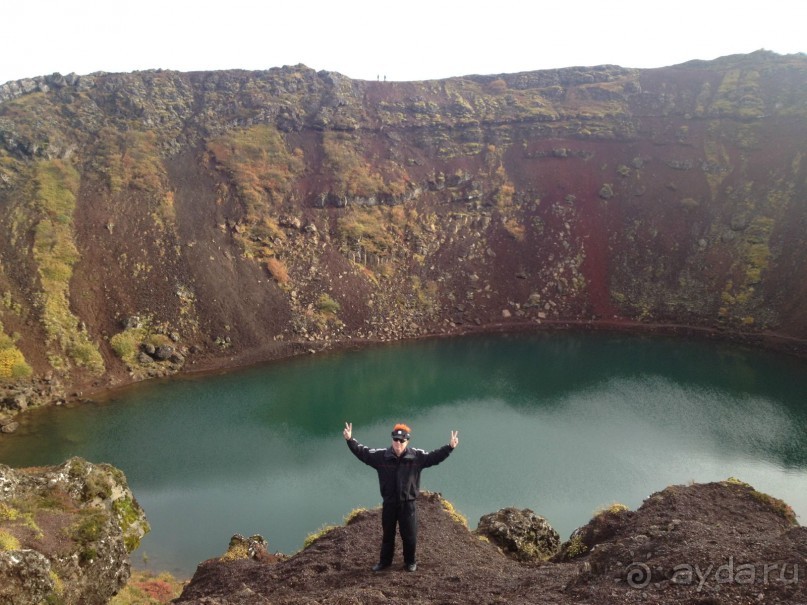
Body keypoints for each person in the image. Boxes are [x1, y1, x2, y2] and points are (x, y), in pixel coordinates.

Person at [343, 421, 459, 572]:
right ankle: (385, 562)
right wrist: (350, 440)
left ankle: (410, 562)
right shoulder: (381, 456)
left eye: (401, 440)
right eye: (395, 440)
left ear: (407, 441)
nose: (398, 443)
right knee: (388, 535)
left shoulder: (416, 456)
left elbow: (434, 457)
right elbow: (363, 452)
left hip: (408, 504)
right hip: (389, 503)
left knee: (409, 535)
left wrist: (449, 447)